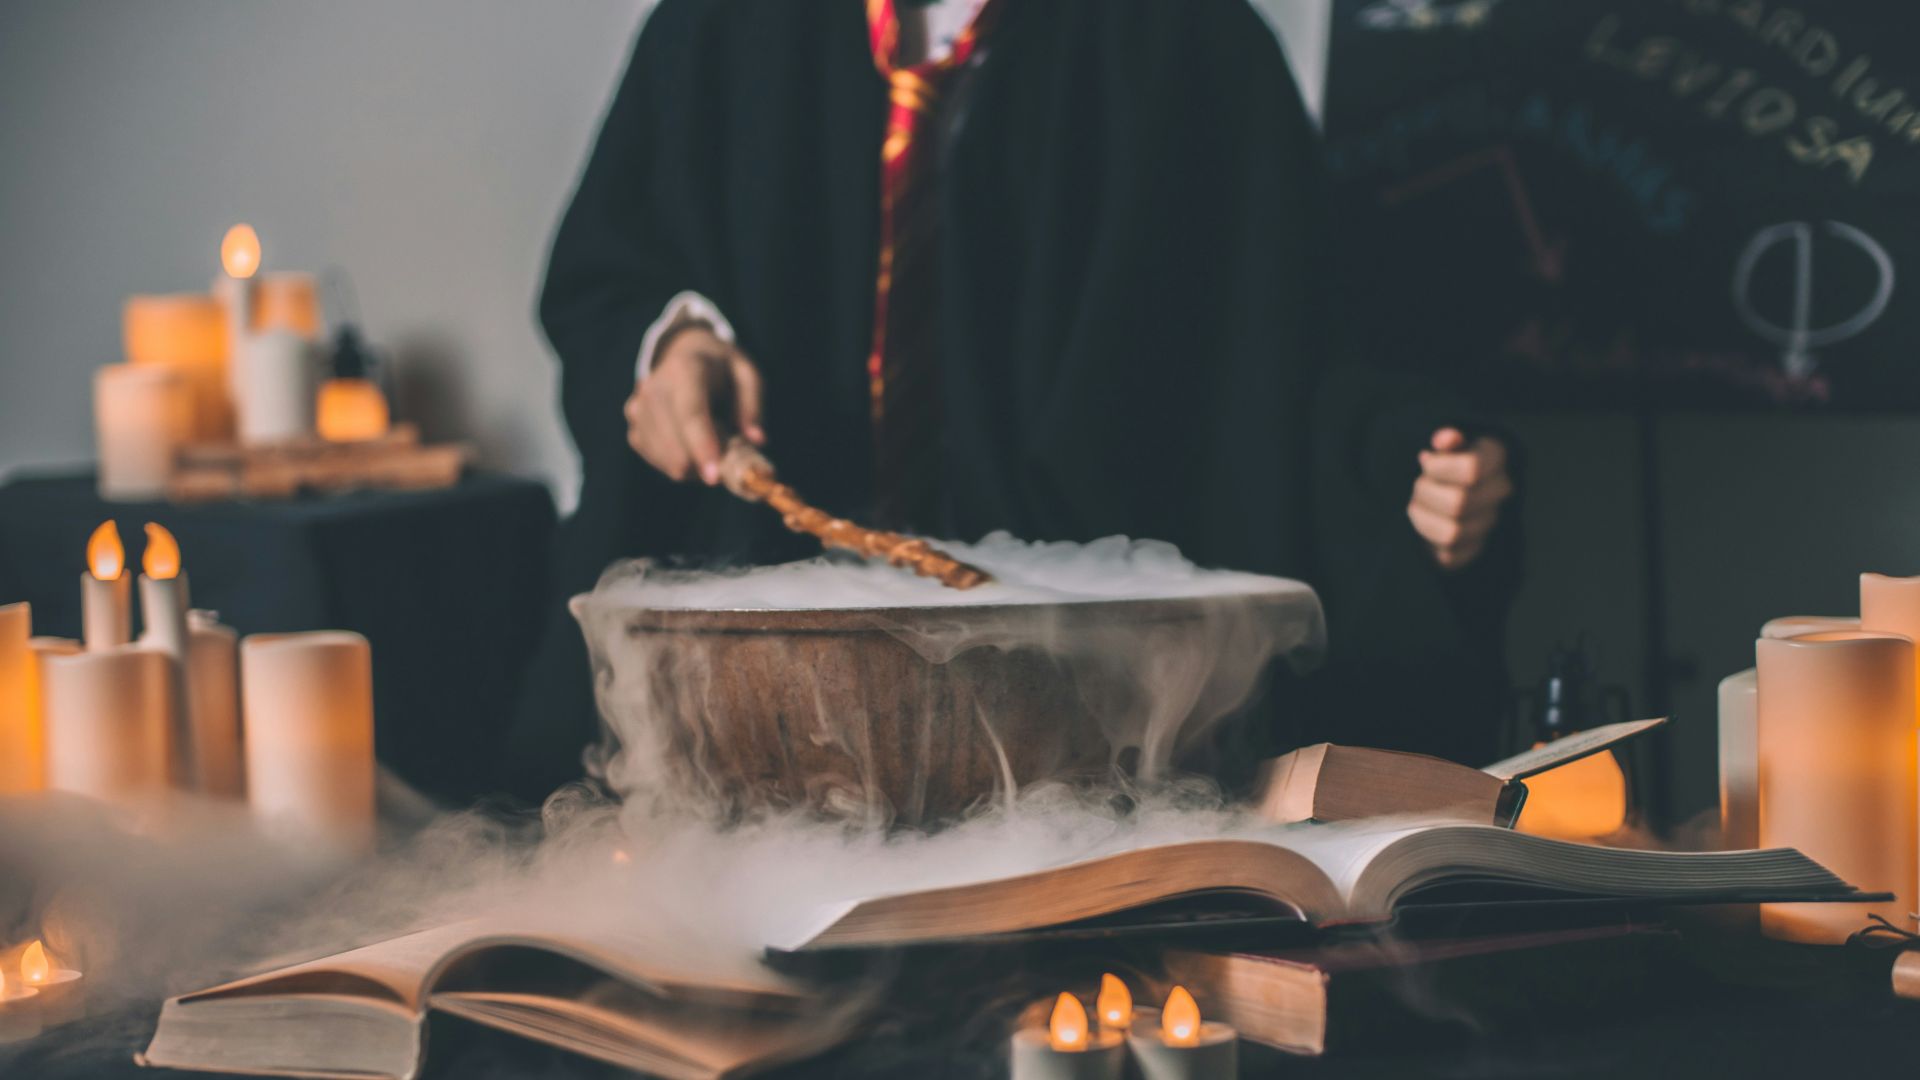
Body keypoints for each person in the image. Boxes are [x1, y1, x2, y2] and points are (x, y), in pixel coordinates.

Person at [506, 0, 1518, 801]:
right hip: (759, 712)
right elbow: (608, 280)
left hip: (1085, 712)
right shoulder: (717, 33)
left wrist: (1403, 468)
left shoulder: (1191, 45)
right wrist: (671, 343)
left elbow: (1294, 354)